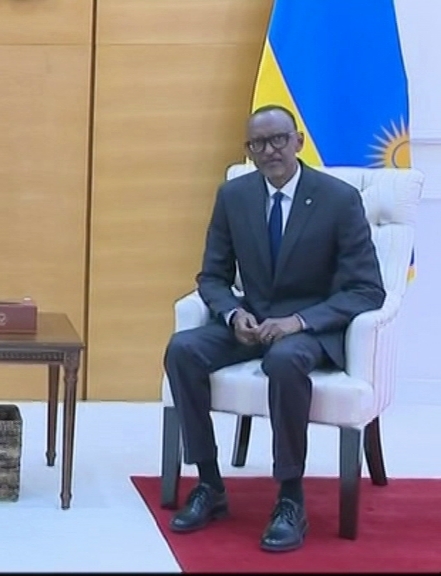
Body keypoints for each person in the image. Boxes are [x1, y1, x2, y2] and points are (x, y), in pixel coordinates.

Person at [163, 104, 385, 553]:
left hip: (310, 327)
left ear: (298, 141)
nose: (270, 151)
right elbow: (212, 277)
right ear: (249, 150)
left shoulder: (338, 199)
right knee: (182, 349)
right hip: (254, 322)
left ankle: (289, 498)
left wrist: (300, 322)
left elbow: (367, 290)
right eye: (258, 144)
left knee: (284, 361)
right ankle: (209, 483)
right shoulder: (234, 196)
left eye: (279, 139)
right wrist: (233, 314)